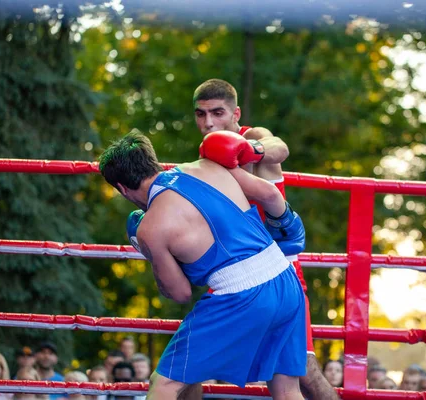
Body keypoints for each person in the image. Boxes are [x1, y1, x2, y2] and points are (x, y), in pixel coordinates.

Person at [99, 132, 307, 400]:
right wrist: (286, 224)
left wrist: (150, 252)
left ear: (122, 188)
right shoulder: (206, 165)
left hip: (241, 296)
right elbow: (269, 193)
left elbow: (180, 293)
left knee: (163, 385)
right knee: (287, 389)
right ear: (155, 162)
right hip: (285, 278)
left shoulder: (150, 228)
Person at [192, 78, 337, 400]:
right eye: (201, 114)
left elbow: (278, 147)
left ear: (236, 113)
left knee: (304, 374)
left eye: (217, 112)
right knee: (188, 366)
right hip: (231, 276)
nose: (209, 122)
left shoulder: (251, 137)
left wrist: (248, 151)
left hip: (278, 270)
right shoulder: (204, 161)